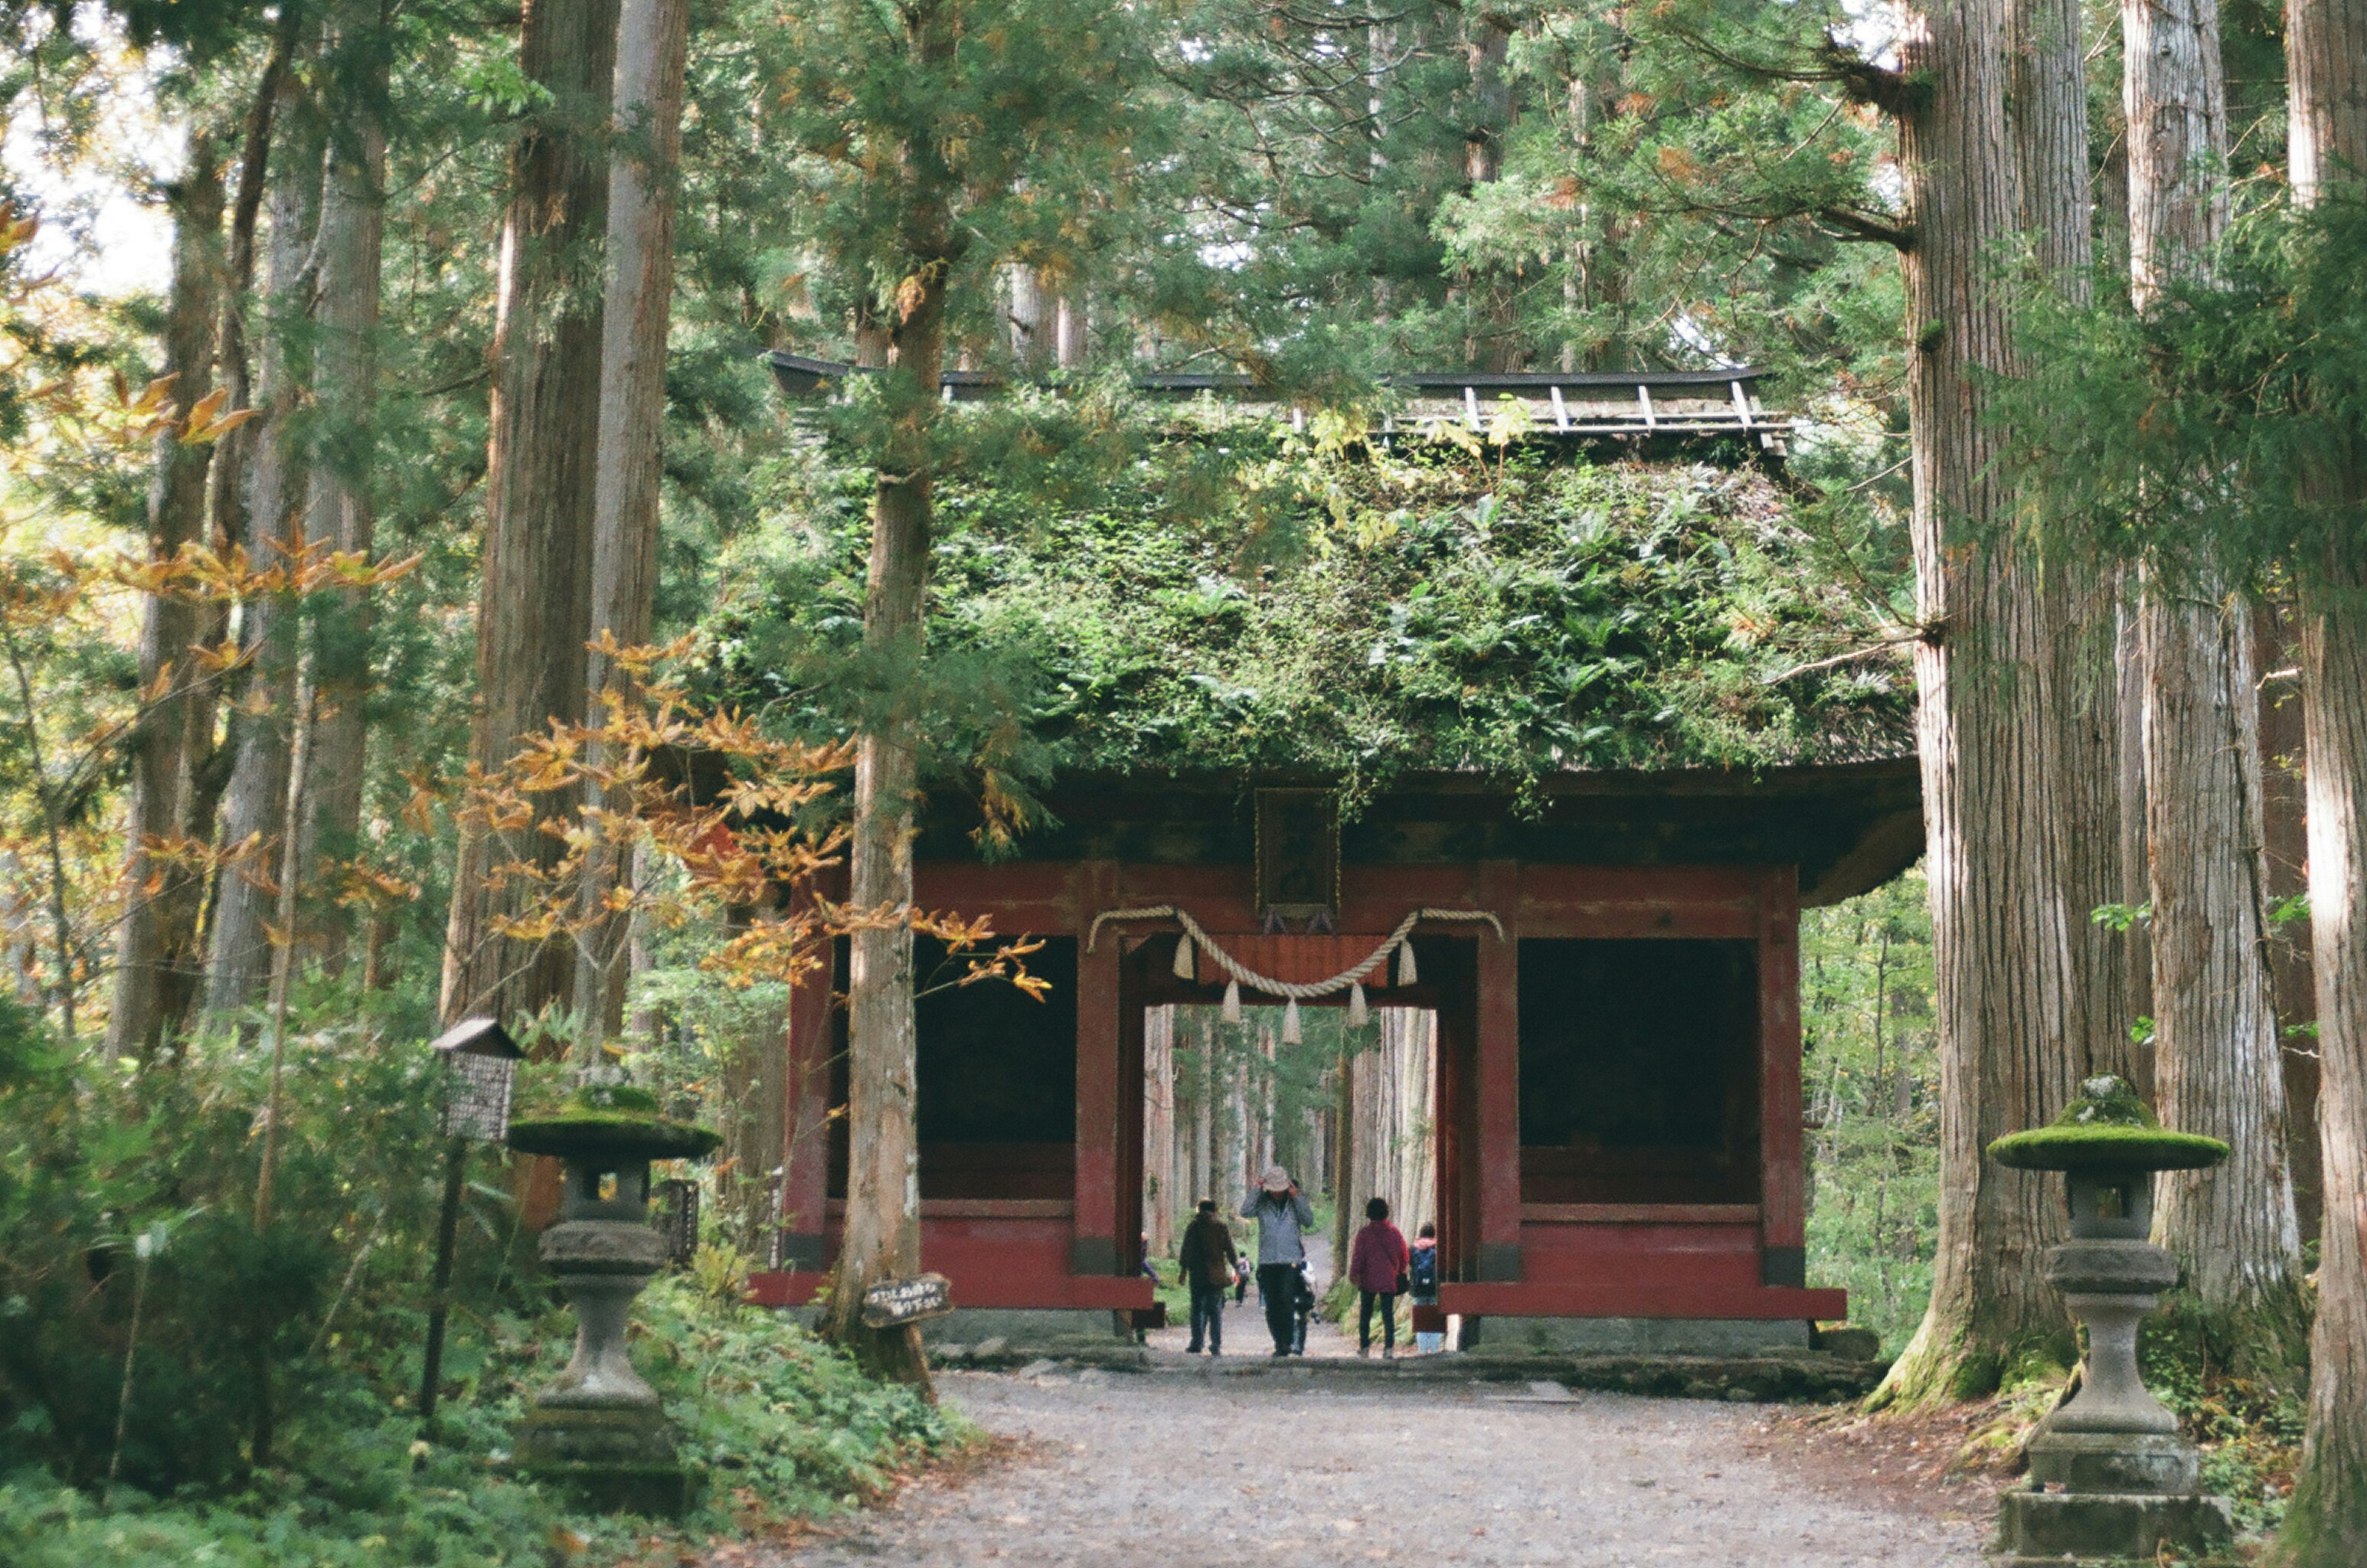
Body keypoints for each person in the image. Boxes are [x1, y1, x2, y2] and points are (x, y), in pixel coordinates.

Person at [1241, 1165, 1316, 1356]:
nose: (1276, 1193)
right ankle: (1278, 1340)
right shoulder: (1262, 1203)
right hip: (1268, 1261)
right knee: (1272, 1305)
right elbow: (1245, 1211)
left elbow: (1308, 1220)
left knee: (1287, 1301)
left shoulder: (1295, 1203)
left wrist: (1297, 1197)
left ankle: (1287, 1341)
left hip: (1290, 1260)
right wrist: (1256, 1190)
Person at [1349, 1196, 1411, 1357]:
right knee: (1388, 1314)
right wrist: (1401, 1271)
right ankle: (1388, 1349)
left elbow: (1358, 1257)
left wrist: (1354, 1273)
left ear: (1368, 1213)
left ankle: (1364, 1348)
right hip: (1389, 1278)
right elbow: (1403, 1255)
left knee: (1365, 1315)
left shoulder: (1364, 1234)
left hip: (1368, 1279)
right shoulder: (1394, 1233)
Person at [1175, 1199, 1240, 1355]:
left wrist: (1183, 1270)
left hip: (1197, 1275)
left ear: (1199, 1210)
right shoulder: (1221, 1226)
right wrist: (1236, 1267)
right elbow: (1230, 1249)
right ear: (1215, 1211)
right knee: (1215, 1311)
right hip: (1217, 1274)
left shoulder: (1193, 1226)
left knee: (1197, 1309)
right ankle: (1216, 1344)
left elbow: (1186, 1250)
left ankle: (1197, 1342)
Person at [1407, 1220, 1443, 1354]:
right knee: (1434, 1317)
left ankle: (1422, 1349)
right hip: (1434, 1288)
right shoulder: (1439, 1248)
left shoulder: (1412, 1249)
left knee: (1420, 1318)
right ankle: (1434, 1349)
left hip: (1418, 1289)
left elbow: (1410, 1265)